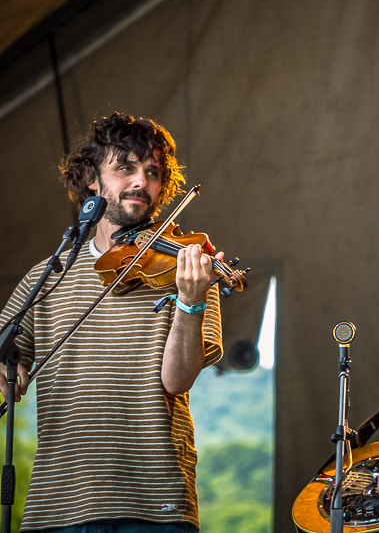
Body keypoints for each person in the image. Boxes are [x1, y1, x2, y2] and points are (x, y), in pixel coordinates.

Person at [1, 113, 223, 533]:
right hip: (57, 503)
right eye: (125, 167)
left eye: (152, 172)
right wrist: (5, 362)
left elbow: (176, 381)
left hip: (154, 505)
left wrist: (190, 302)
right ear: (92, 181)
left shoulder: (189, 272)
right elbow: (6, 346)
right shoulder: (46, 276)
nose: (141, 181)